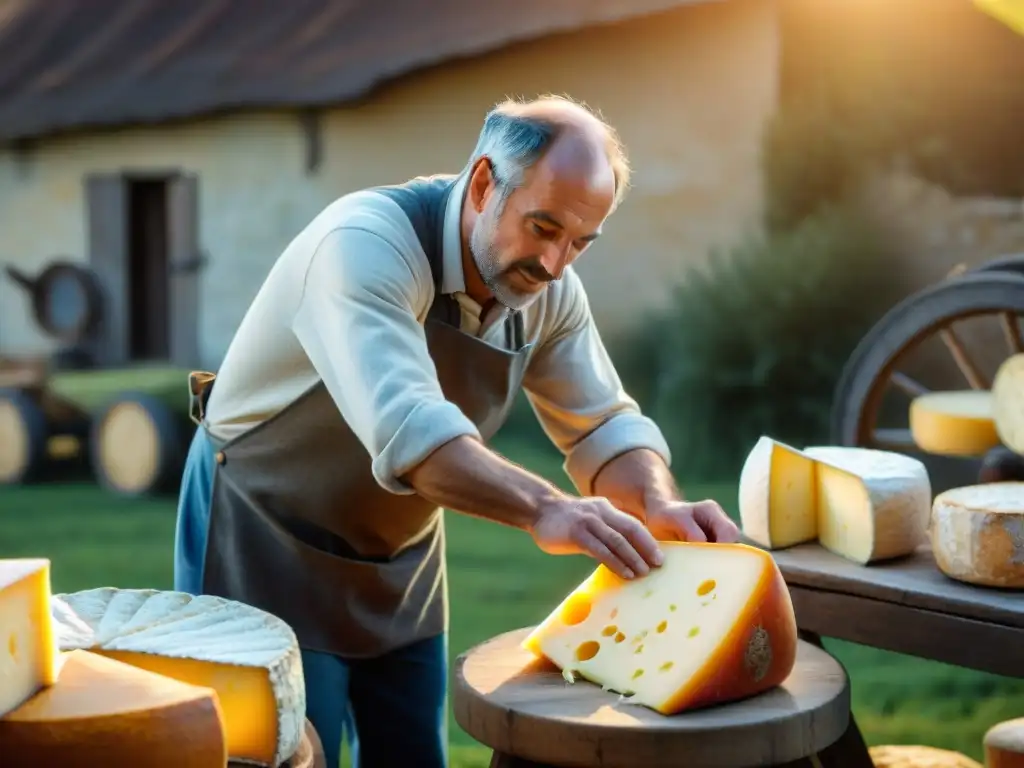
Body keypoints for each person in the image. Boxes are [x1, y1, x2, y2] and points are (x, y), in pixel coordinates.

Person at [173, 94, 739, 768]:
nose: (555, 263)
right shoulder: (362, 247)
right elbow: (412, 432)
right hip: (263, 537)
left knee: (414, 755)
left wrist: (657, 502)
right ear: (481, 184)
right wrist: (547, 510)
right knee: (290, 753)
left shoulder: (548, 291)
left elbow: (605, 426)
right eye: (543, 227)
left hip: (401, 554)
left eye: (579, 243)